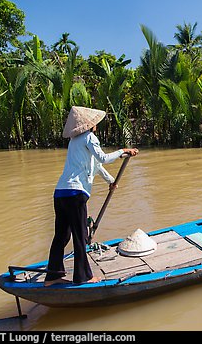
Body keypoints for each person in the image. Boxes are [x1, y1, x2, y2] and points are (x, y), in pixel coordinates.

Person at [44, 106, 138, 286]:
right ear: (90, 125)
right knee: (80, 237)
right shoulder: (89, 137)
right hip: (75, 194)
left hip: (60, 193)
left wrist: (110, 181)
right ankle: (83, 277)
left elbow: (95, 166)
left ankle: (52, 276)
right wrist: (123, 151)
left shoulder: (74, 141)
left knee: (61, 237)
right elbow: (103, 158)